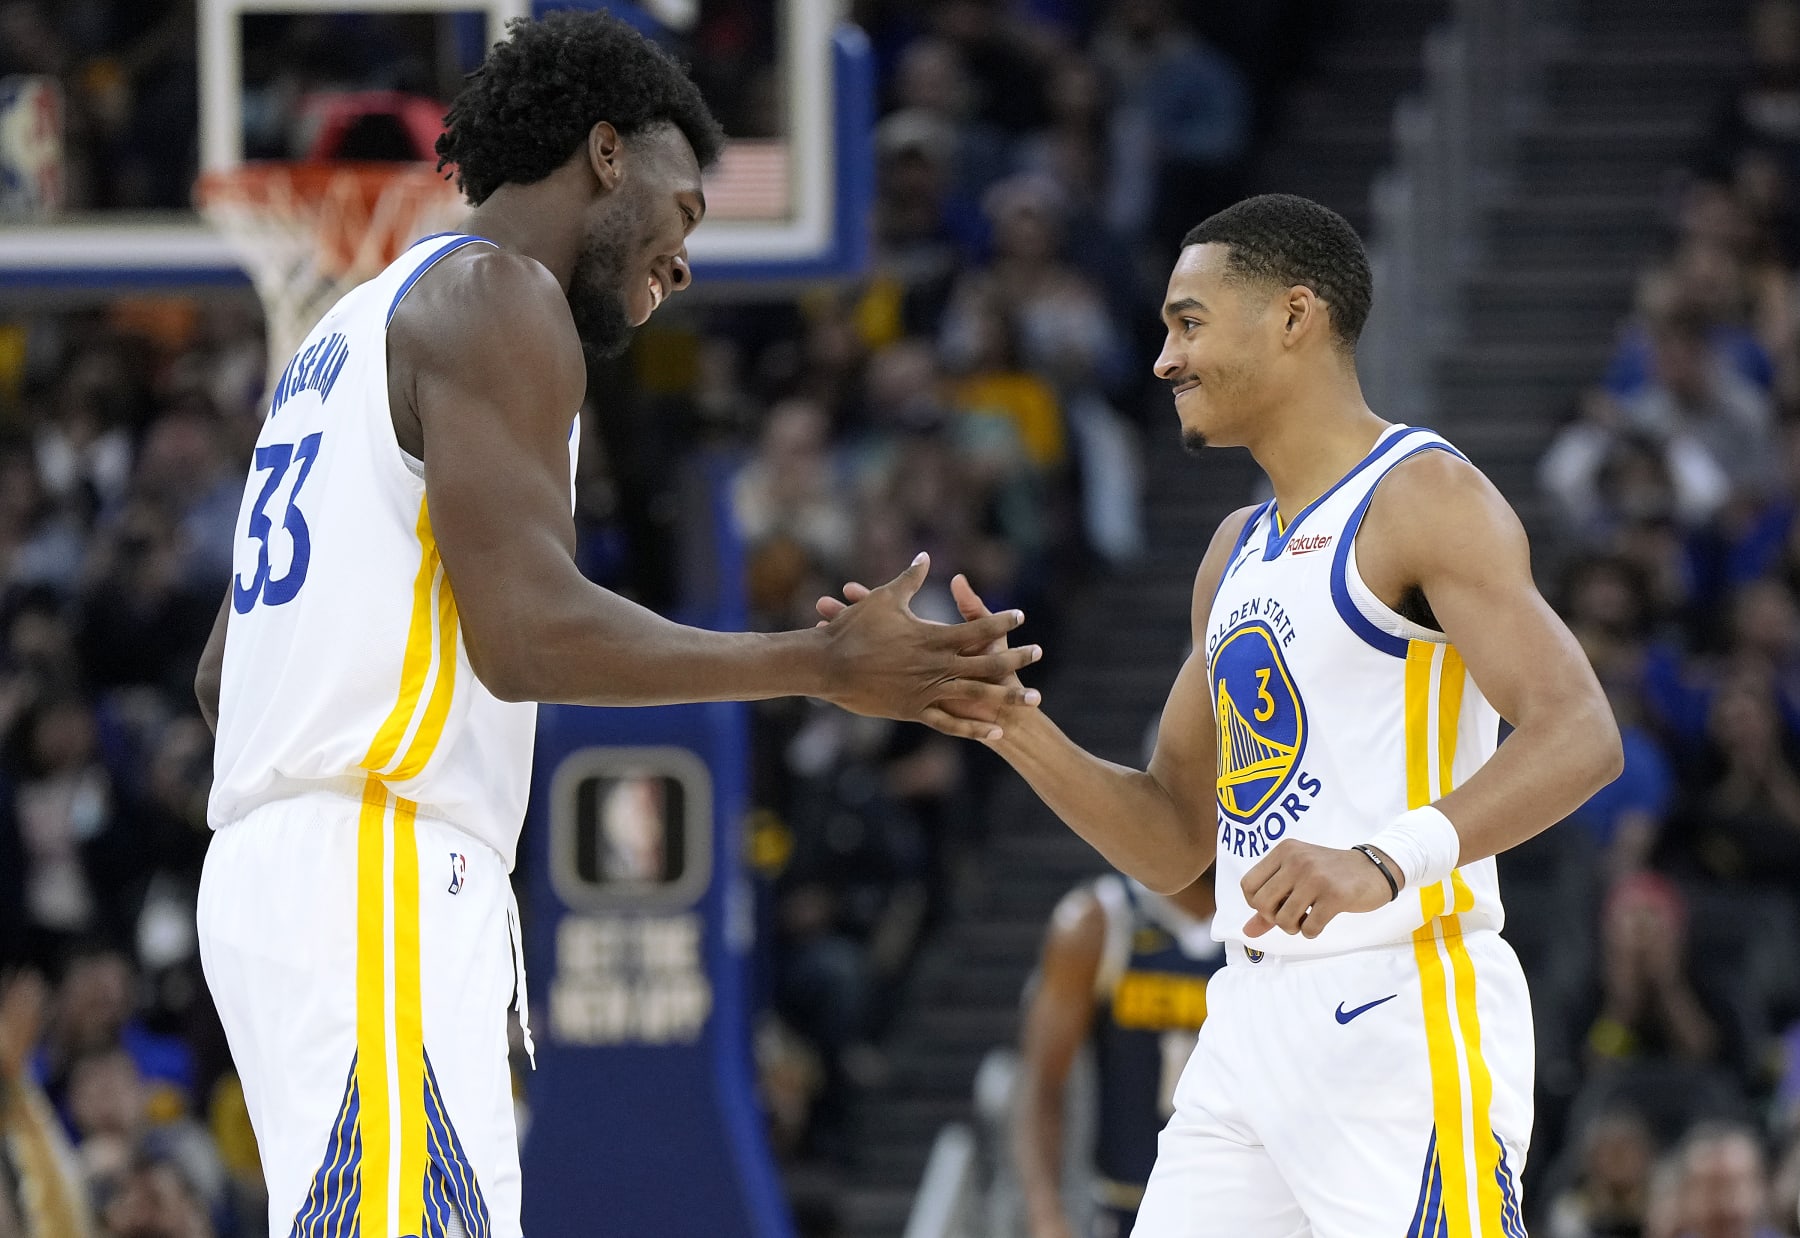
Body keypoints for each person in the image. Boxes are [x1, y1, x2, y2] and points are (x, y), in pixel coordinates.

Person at [190, 13, 1042, 1238]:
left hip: (286, 885)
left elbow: (228, 675)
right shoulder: (498, 296)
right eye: (684, 209)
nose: (684, 258)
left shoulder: (338, 333)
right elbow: (525, 634)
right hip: (372, 870)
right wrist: (815, 660)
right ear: (605, 155)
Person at [824, 194, 1623, 1233]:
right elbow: (1171, 835)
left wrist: (1382, 859)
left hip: (1401, 1003)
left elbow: (1580, 731)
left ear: (1296, 317)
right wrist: (1007, 722)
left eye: (1188, 322)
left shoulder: (1422, 495)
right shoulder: (1233, 553)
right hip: (1246, 1014)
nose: (1163, 359)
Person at [1013, 873, 1223, 1238]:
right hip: (1132, 1205)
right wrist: (1045, 1214)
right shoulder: (1099, 919)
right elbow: (1041, 1081)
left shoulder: (1271, 916)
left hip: (1249, 1206)